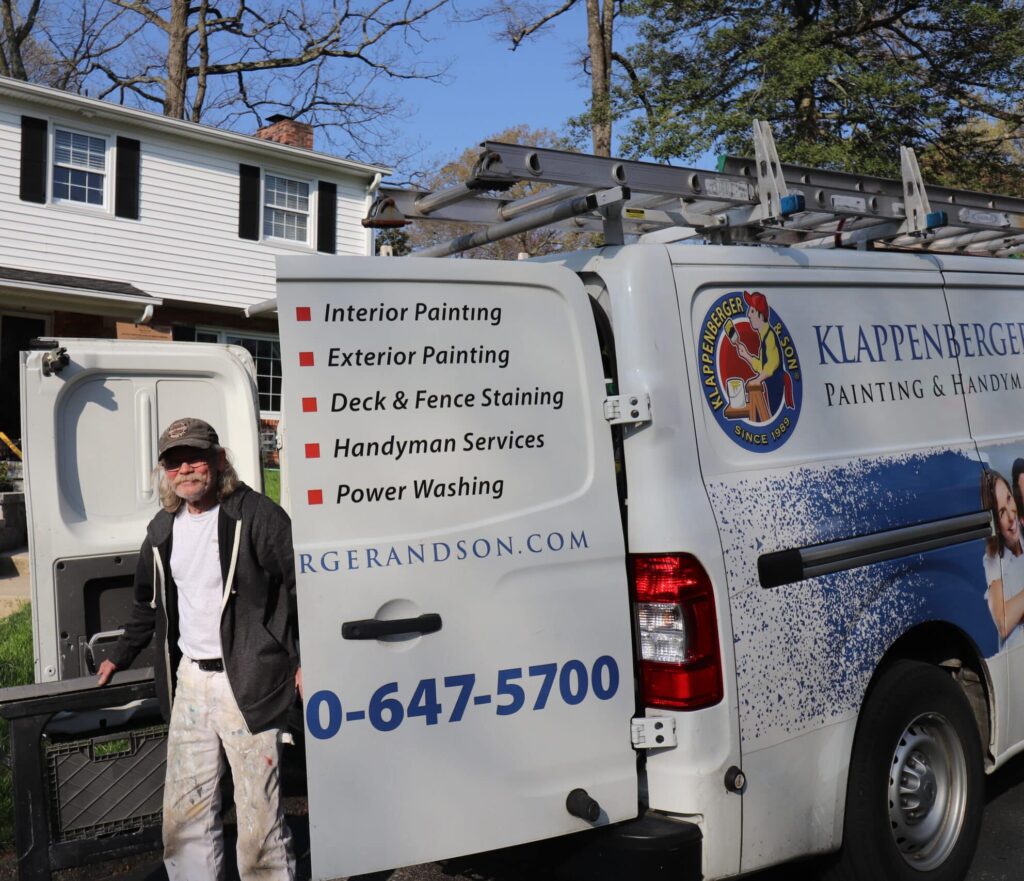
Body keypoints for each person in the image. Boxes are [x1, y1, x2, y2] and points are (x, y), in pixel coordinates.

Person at [97, 417, 300, 881]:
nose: (185, 468)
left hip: (250, 680)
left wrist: (305, 660)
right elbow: (146, 603)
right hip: (190, 680)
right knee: (185, 815)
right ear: (165, 472)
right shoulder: (162, 528)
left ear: (218, 460)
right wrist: (121, 655)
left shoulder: (258, 517)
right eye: (174, 461)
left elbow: (302, 587)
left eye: (195, 457)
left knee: (259, 820)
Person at [732, 290, 794, 417]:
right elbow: (762, 365)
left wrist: (758, 380)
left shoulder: (769, 336)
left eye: (752, 311)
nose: (748, 314)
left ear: (761, 314)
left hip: (776, 386)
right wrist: (747, 356)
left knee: (772, 414)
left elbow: (772, 364)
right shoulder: (764, 336)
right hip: (771, 386)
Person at [981, 468, 1024, 649]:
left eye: (1009, 499)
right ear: (995, 524)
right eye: (1001, 513)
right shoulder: (994, 558)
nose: (1010, 516)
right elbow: (1003, 622)